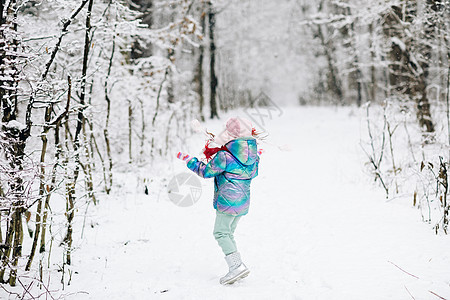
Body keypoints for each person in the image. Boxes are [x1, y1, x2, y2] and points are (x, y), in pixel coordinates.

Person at [176, 117, 260, 285]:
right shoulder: (254, 155)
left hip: (227, 202)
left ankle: (237, 267)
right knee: (228, 233)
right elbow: (253, 173)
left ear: (230, 134)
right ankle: (237, 266)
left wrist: (189, 160)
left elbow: (205, 171)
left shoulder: (225, 156)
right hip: (243, 202)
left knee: (220, 233)